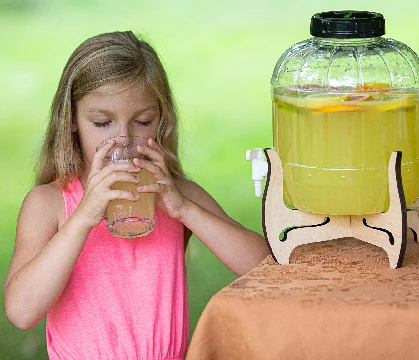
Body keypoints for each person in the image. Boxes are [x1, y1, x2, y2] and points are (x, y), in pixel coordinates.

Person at [4, 31, 270, 360]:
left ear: (163, 119)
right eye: (102, 123)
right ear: (71, 119)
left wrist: (185, 210)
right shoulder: (50, 203)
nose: (124, 139)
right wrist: (84, 217)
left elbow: (266, 269)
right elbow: (21, 312)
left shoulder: (174, 195)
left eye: (142, 121)